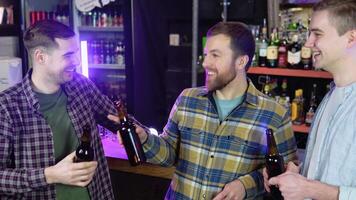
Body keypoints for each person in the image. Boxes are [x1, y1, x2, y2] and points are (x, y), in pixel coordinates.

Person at [110, 21, 297, 200]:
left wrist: (246, 185)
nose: (205, 63)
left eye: (215, 55)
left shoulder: (274, 114)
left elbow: (285, 176)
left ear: (241, 62)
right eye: (206, 54)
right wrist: (145, 140)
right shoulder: (188, 99)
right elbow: (168, 154)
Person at [0, 20, 117, 199]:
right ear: (40, 57)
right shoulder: (6, 107)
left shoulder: (80, 85)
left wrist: (144, 135)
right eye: (68, 55)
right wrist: (50, 175)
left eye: (76, 53)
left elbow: (117, 119)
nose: (77, 61)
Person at [264, 0, 356, 199]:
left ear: (351, 38)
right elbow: (329, 169)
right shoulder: (331, 97)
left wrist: (310, 189)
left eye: (318, 34)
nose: (308, 43)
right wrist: (296, 174)